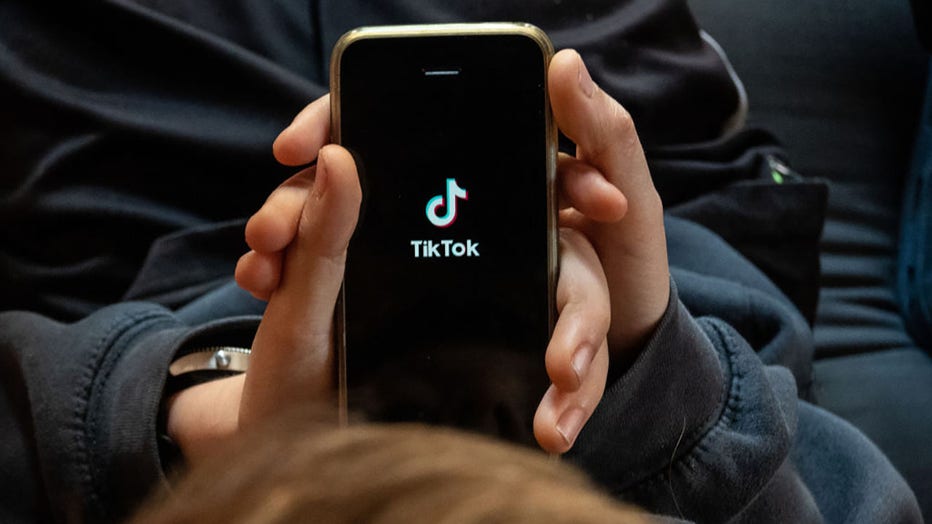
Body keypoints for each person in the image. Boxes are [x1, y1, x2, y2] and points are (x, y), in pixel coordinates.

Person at [0, 1, 922, 522]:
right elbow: (831, 482)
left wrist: (194, 421)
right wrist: (650, 380)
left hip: (156, 244)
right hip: (660, 235)